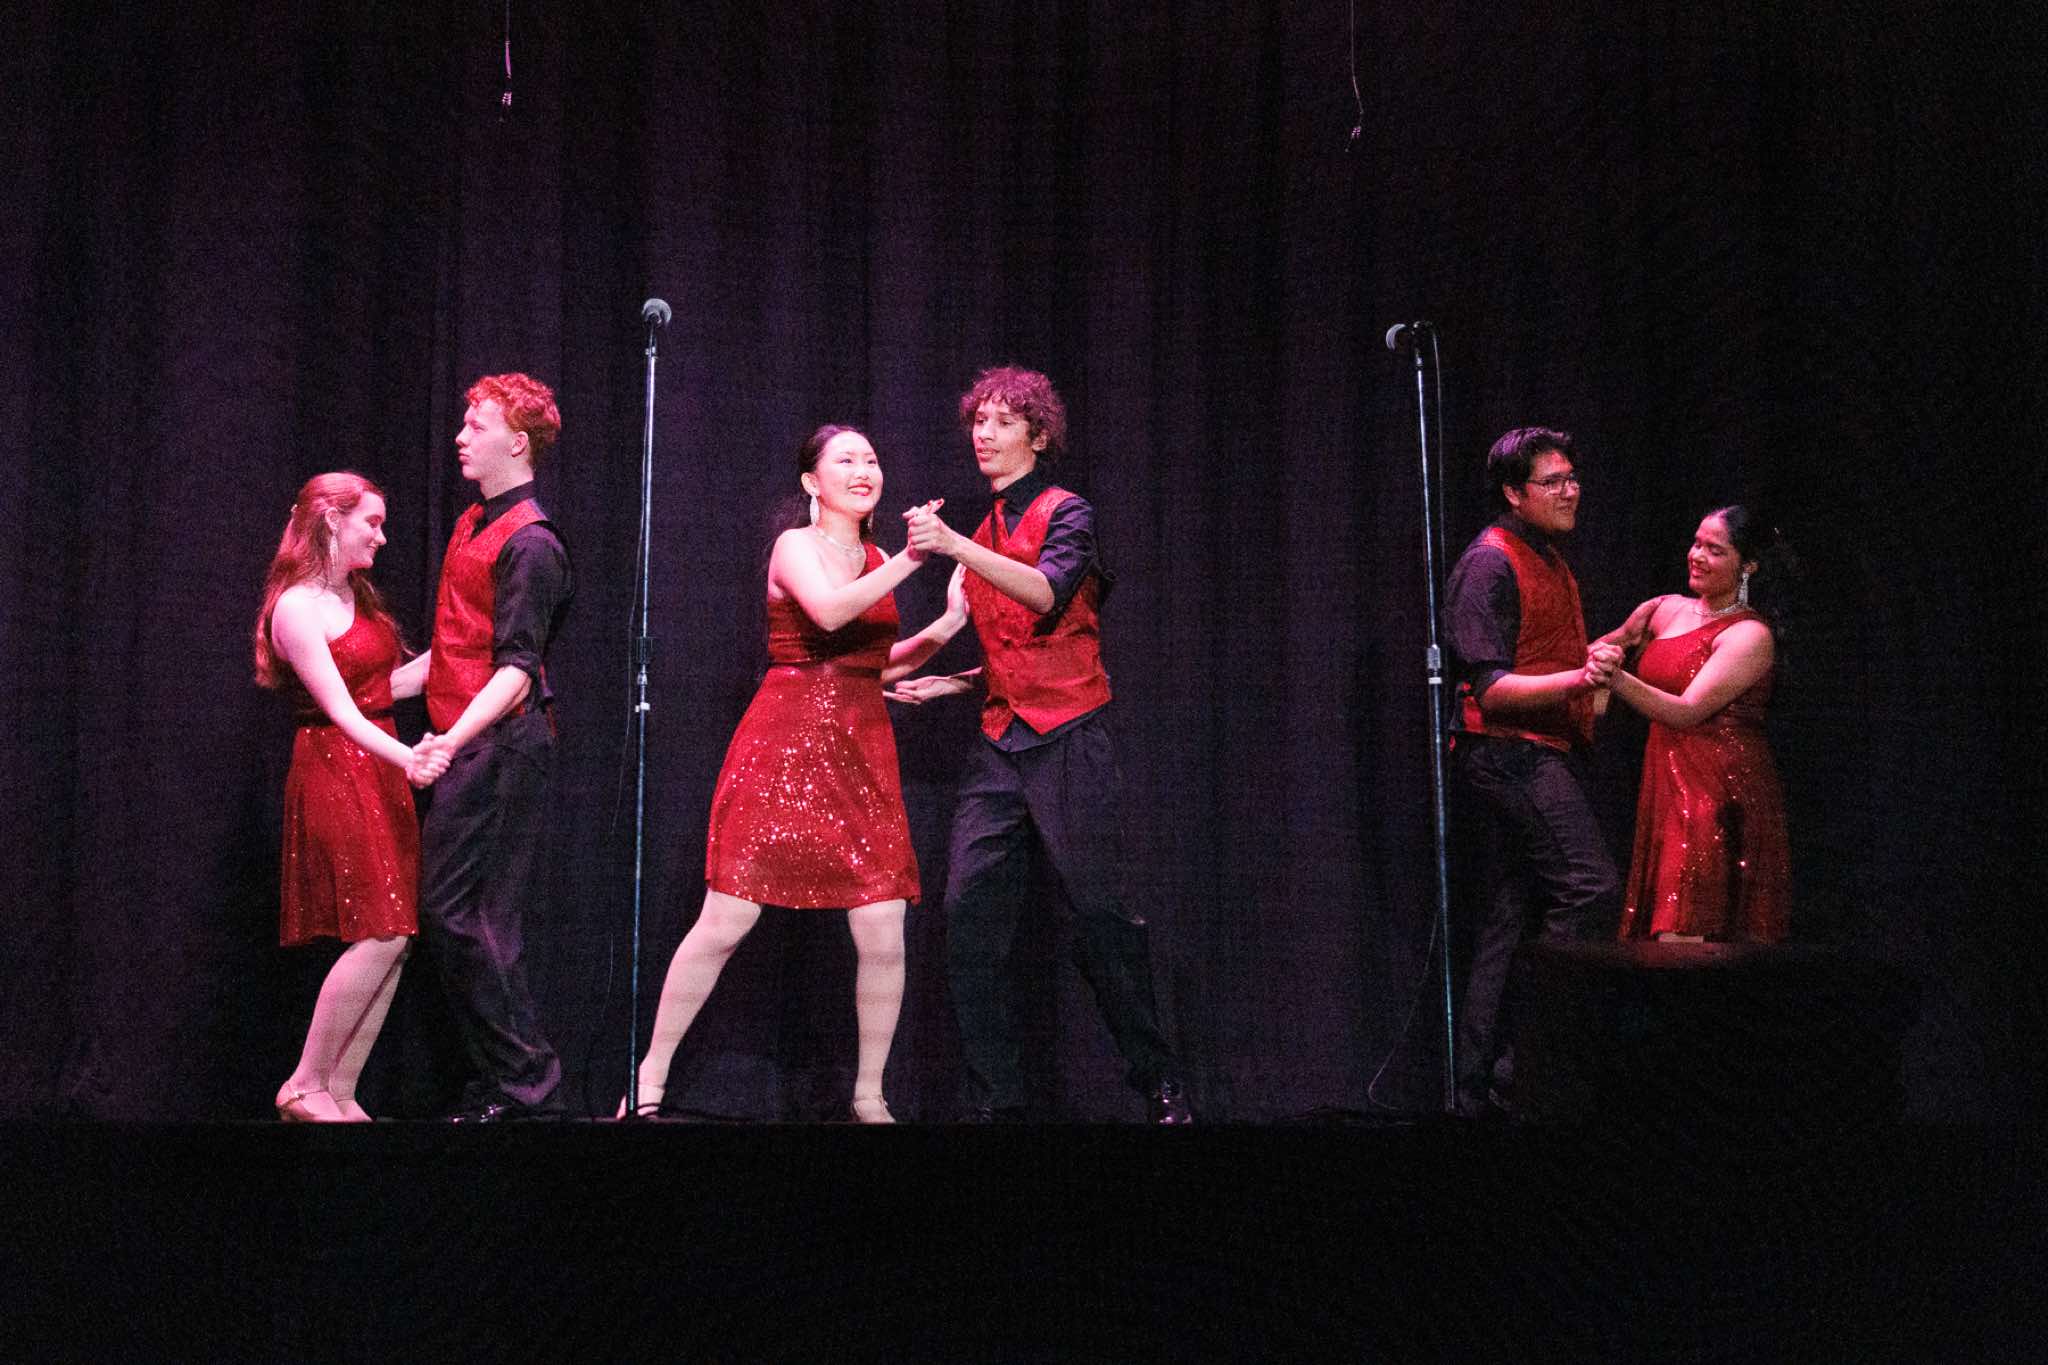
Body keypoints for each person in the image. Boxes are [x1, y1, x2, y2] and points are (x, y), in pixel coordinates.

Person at [625, 425, 966, 1123]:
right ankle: (650, 1072)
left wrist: (951, 622)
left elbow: (873, 662)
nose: (864, 469)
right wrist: (914, 558)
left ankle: (869, 1094)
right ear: (812, 481)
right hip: (785, 744)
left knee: (883, 922)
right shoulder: (795, 546)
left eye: (872, 459)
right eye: (846, 460)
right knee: (727, 917)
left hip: (861, 750)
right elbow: (831, 614)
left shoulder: (875, 556)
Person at [895, 365, 1190, 1124]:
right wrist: (956, 683)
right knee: (965, 918)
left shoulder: (1068, 512)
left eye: (1002, 421)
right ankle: (1000, 1102)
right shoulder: (985, 531)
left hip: (1070, 737)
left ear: (1038, 434)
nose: (985, 434)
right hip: (1000, 743)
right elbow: (1012, 647)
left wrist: (954, 545)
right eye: (979, 421)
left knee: (1100, 918)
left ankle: (1157, 1077)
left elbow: (1049, 594)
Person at [256, 472, 450, 1122]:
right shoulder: (297, 607)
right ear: (331, 520)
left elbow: (383, 688)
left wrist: (465, 650)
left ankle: (340, 1089)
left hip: (378, 767)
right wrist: (410, 755)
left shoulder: (353, 597)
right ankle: (303, 1081)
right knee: (382, 930)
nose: (382, 536)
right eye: (372, 522)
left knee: (398, 933)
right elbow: (341, 711)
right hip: (336, 768)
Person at [1442, 426, 1623, 1118]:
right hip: (1508, 751)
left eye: (1573, 477)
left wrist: (1602, 657)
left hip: (1537, 748)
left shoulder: (1548, 558)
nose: (1570, 490)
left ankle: (1479, 1085)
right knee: (1590, 889)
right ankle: (1526, 1065)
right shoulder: (1490, 563)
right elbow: (1490, 691)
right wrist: (1580, 679)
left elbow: (1548, 655)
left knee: (1513, 911)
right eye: (1553, 481)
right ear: (1514, 493)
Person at [419, 373, 574, 1122]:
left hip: (504, 748)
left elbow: (516, 671)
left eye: (476, 425)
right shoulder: (472, 523)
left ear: (517, 443)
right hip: (473, 742)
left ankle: (529, 1086)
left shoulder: (532, 543)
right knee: (453, 915)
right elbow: (455, 649)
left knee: (475, 917)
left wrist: (450, 741)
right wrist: (355, 691)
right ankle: (509, 1079)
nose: (460, 436)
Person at [1600, 505, 1791, 942]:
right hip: (1667, 783)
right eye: (1696, 543)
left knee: (1690, 928)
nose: (1697, 556)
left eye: (1714, 550)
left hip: (1718, 791)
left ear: (1747, 567)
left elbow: (1687, 710)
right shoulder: (1664, 609)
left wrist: (1616, 678)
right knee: (1665, 934)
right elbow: (1596, 652)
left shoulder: (1750, 636)